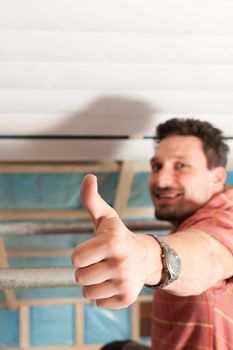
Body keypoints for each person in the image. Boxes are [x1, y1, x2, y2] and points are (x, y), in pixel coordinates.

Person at [71, 118, 233, 350]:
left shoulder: (227, 215)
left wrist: (147, 258)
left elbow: (211, 254)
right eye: (157, 166)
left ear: (217, 177)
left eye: (180, 166)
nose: (161, 179)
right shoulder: (189, 223)